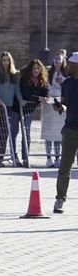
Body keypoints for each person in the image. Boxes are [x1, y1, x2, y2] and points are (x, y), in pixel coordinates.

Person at [0, 52, 23, 166]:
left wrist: (20, 99)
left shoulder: (15, 74)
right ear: (0, 61)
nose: (5, 62)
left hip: (8, 105)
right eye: (4, 60)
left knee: (4, 132)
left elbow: (17, 89)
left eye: (7, 60)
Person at [54, 54, 78, 214]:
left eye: (69, 64)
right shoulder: (67, 83)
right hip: (70, 129)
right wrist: (59, 107)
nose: (66, 66)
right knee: (65, 167)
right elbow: (64, 103)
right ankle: (60, 199)